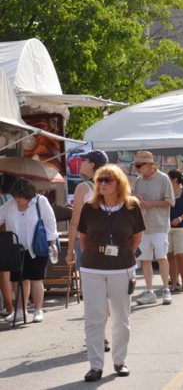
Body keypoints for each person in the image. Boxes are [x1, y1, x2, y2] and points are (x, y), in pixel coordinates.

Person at [77, 164, 146, 381]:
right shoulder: (89, 207)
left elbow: (137, 237)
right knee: (94, 318)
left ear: (119, 183)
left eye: (108, 180)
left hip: (122, 268)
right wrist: (97, 254)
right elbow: (83, 238)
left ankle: (119, 361)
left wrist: (123, 254)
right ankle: (96, 365)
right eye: (100, 180)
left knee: (120, 317)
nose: (103, 183)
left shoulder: (132, 206)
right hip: (92, 268)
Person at [66, 149, 111, 352]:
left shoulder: (83, 189)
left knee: (93, 293)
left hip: (88, 245)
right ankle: (102, 334)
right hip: (111, 246)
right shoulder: (114, 185)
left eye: (83, 161)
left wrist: (69, 249)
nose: (80, 164)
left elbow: (75, 222)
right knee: (107, 293)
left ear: (92, 165)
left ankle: (98, 336)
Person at [0, 177, 58, 323]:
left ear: (29, 195)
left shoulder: (40, 201)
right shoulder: (10, 204)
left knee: (36, 278)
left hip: (37, 246)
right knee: (19, 279)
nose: (18, 200)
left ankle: (38, 310)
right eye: (16, 197)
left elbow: (50, 222)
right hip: (16, 248)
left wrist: (53, 244)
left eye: (21, 198)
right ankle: (20, 311)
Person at [132, 151, 175, 306]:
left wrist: (151, 203)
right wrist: (136, 200)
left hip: (160, 225)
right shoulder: (137, 181)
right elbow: (132, 201)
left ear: (149, 165)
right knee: (145, 260)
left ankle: (166, 290)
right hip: (142, 226)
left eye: (138, 165)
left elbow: (171, 201)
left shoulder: (163, 179)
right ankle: (150, 292)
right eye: (135, 166)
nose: (136, 168)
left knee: (162, 257)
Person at [0, 175, 15, 318]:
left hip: (2, 239)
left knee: (4, 274)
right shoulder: (16, 198)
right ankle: (22, 307)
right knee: (17, 273)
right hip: (16, 238)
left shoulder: (2, 199)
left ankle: (10, 308)